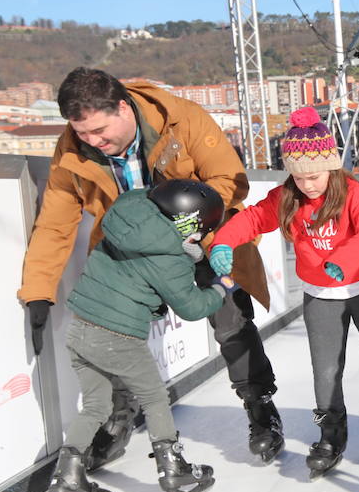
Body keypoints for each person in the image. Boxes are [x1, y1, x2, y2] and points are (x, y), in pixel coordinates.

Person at [18, 67, 283, 466]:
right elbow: (56, 222)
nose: (93, 142)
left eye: (101, 131)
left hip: (203, 238)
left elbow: (230, 178)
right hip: (132, 253)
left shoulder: (182, 118)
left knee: (231, 322)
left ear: (123, 108)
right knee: (115, 333)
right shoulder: (72, 148)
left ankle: (259, 407)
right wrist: (39, 290)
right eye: (83, 133)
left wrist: (196, 218)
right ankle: (116, 419)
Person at [209, 107, 359, 479]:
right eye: (299, 176)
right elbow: (250, 218)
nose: (308, 184)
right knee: (325, 371)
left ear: (331, 165)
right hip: (321, 295)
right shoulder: (287, 197)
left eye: (314, 176)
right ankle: (331, 434)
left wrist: (344, 258)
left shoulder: (353, 194)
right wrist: (224, 241)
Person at [45, 179, 230, 492]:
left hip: (81, 329)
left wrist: (184, 251)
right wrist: (220, 289)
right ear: (191, 224)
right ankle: (174, 471)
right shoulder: (168, 258)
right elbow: (191, 307)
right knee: (155, 398)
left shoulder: (125, 217)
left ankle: (68, 479)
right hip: (117, 336)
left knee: (96, 406)